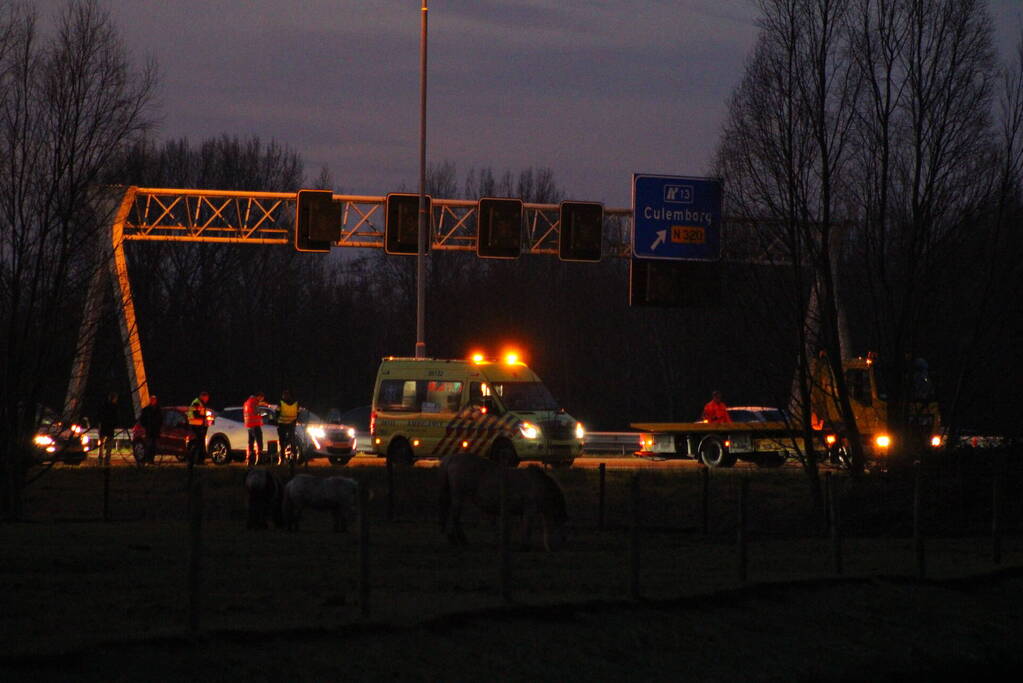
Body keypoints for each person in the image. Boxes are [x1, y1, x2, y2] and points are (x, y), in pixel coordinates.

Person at [275, 389, 300, 465]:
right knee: (292, 441)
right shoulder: (296, 403)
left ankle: (282, 459)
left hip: (282, 424)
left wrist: (276, 420)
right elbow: (298, 413)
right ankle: (293, 458)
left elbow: (277, 413)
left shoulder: (281, 403)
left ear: (284, 396)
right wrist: (294, 420)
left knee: (282, 443)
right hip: (292, 424)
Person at [187, 391, 211, 465]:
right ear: (202, 396)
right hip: (196, 426)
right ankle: (198, 460)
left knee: (199, 443)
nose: (207, 400)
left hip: (197, 425)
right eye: (206, 398)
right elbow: (196, 415)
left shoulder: (199, 403)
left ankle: (197, 460)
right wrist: (205, 417)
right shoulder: (197, 403)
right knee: (199, 444)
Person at [137, 395, 162, 464]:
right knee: (148, 445)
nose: (153, 401)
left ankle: (151, 460)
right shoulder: (146, 410)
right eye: (152, 400)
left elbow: (161, 419)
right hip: (149, 430)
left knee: (153, 446)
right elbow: (142, 419)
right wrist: (146, 426)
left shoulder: (158, 409)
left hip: (155, 430)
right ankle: (147, 459)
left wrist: (159, 426)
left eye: (154, 400)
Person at [244, 391, 266, 466]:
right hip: (255, 425)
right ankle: (259, 460)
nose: (261, 400)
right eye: (262, 398)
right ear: (259, 396)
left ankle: (249, 460)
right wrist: (264, 413)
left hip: (249, 425)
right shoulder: (254, 402)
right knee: (259, 442)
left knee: (250, 443)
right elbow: (256, 412)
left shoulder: (247, 402)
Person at [97, 392, 119, 465]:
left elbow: (100, 416)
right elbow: (115, 418)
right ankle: (107, 459)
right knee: (109, 444)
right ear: (114, 399)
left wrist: (100, 426)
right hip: (110, 427)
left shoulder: (104, 405)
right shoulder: (114, 407)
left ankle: (100, 458)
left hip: (103, 426)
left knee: (101, 443)